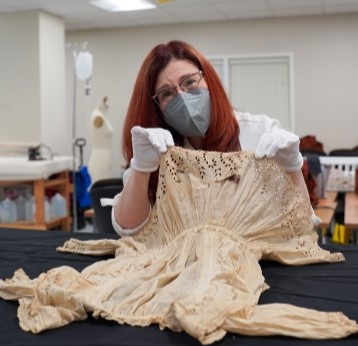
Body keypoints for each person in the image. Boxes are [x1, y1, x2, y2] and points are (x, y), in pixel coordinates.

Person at [111, 40, 318, 236]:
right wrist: (142, 168)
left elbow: (302, 225)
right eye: (166, 94)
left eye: (190, 82)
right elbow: (128, 228)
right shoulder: (157, 146)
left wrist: (293, 169)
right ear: (156, 108)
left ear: (208, 79)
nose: (182, 97)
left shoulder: (260, 132)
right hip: (185, 267)